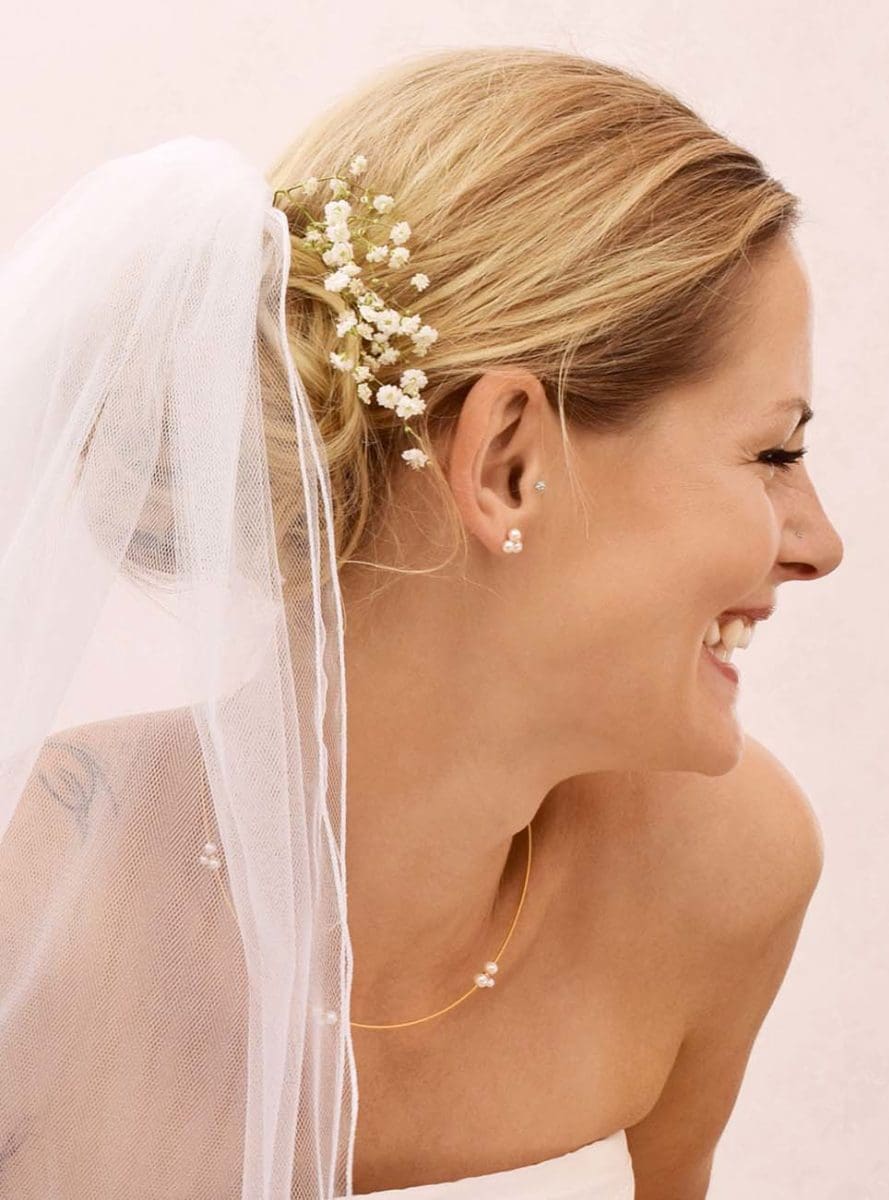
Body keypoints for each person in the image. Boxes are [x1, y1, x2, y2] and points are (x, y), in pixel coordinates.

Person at [0, 44, 843, 1199]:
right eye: (772, 453)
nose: (818, 544)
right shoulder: (31, 899)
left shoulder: (724, 872)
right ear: (505, 465)